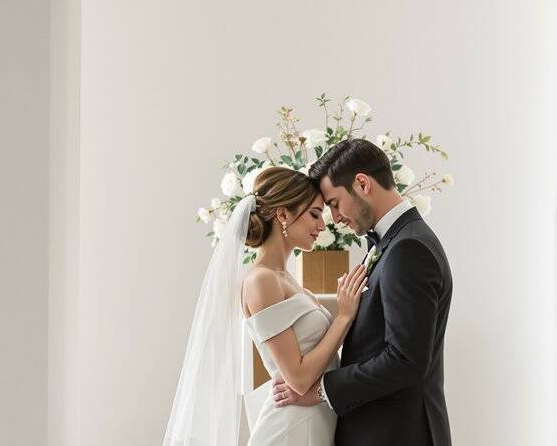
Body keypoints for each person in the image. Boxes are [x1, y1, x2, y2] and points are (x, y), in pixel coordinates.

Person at [163, 166, 365, 445]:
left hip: (314, 422)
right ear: (282, 214)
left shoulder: (286, 279)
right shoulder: (261, 281)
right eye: (314, 214)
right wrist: (342, 317)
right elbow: (298, 378)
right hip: (293, 428)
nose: (322, 226)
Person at [271, 138, 454, 446]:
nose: (336, 219)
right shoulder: (394, 242)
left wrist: (321, 390)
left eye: (334, 204)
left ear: (362, 183)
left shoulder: (407, 248)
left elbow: (405, 359)